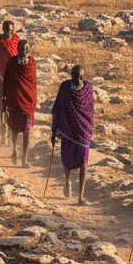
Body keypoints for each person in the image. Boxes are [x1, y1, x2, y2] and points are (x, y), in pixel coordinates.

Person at [51, 64, 94, 204]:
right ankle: (67, 181)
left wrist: (89, 127)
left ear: (83, 76)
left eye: (81, 76)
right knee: (67, 159)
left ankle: (80, 196)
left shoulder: (88, 88)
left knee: (84, 162)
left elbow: (90, 109)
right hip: (68, 128)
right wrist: (54, 129)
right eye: (75, 76)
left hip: (84, 130)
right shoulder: (64, 87)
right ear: (71, 76)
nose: (78, 79)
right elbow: (57, 107)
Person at [2, 39, 37, 166]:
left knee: (27, 130)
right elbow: (6, 80)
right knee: (15, 130)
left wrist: (33, 99)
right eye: (22, 49)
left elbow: (33, 83)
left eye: (27, 49)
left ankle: (24, 159)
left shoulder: (32, 62)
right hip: (14, 100)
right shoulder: (11, 62)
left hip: (28, 102)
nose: (25, 51)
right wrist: (4, 98)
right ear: (18, 50)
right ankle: (14, 150)